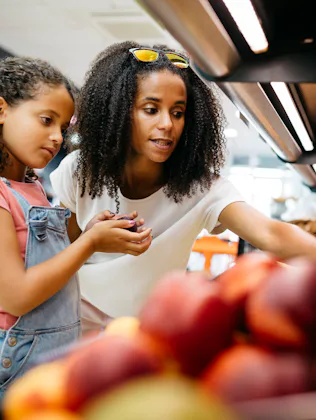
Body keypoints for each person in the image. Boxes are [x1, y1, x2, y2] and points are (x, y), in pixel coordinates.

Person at [50, 41, 316, 334]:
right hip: (68, 325)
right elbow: (55, 257)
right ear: (119, 112)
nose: (167, 124)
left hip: (146, 334)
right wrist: (92, 241)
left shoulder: (202, 187)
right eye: (151, 109)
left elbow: (271, 233)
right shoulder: (81, 170)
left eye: (178, 113)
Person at [0, 56, 152, 396]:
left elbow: (45, 263)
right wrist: (89, 244)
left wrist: (88, 233)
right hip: (14, 360)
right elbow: (17, 296)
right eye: (45, 120)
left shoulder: (32, 185)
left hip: (46, 355)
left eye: (63, 128)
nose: (57, 137)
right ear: (2, 110)